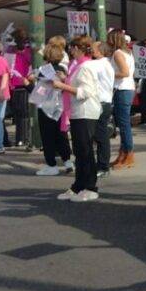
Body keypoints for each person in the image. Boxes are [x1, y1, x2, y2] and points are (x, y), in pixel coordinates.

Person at [52, 36, 103, 202]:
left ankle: (90, 186)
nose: (70, 51)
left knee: (85, 150)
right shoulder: (79, 66)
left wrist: (62, 85)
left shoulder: (85, 67)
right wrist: (64, 80)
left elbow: (85, 92)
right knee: (80, 151)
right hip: (78, 111)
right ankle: (79, 185)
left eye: (72, 47)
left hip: (85, 111)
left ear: (78, 48)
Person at [34, 39, 73, 177]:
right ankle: (67, 161)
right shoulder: (63, 69)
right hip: (60, 105)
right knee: (61, 134)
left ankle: (51, 165)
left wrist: (29, 84)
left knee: (48, 137)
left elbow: (41, 92)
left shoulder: (43, 70)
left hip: (46, 107)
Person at [108, 30, 136, 169]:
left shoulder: (118, 53)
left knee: (124, 125)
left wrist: (109, 74)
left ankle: (128, 153)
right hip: (127, 88)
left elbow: (124, 72)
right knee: (123, 124)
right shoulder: (127, 52)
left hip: (122, 89)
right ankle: (123, 153)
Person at [91, 42, 115, 177]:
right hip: (104, 101)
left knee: (101, 136)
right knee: (101, 135)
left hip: (101, 102)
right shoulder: (106, 64)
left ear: (100, 51)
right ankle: (102, 164)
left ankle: (103, 166)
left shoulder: (98, 64)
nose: (91, 50)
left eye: (93, 49)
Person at [8, 28, 34, 147]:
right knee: (18, 114)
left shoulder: (28, 52)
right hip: (14, 85)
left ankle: (25, 138)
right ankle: (20, 138)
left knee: (25, 114)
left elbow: (31, 64)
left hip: (25, 85)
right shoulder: (11, 52)